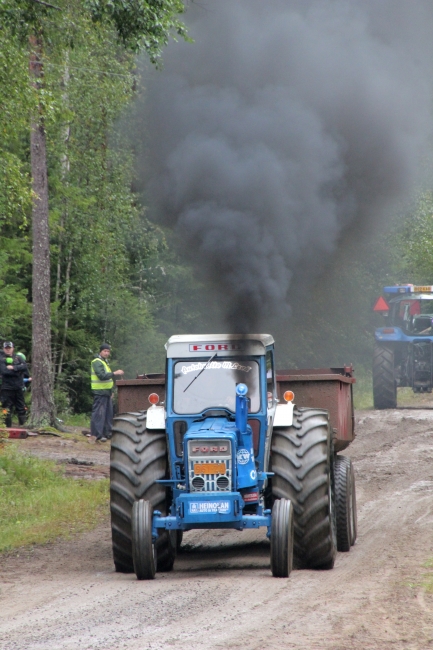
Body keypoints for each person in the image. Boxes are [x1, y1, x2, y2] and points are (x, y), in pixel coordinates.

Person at [90, 344, 124, 442]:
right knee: (99, 414)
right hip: (100, 392)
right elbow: (102, 376)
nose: (107, 353)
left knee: (108, 414)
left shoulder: (104, 362)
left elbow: (108, 380)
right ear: (100, 351)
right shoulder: (97, 362)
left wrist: (111, 391)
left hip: (107, 392)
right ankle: (97, 435)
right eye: (105, 351)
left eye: (108, 351)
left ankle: (107, 433)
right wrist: (115, 373)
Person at [0, 342, 28, 427]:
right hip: (7, 388)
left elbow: (25, 367)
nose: (8, 349)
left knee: (21, 407)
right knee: (6, 408)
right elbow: (4, 371)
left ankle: (23, 425)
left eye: (9, 348)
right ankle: (7, 428)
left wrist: (14, 368)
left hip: (18, 387)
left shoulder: (18, 358)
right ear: (4, 348)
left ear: (13, 348)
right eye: (6, 348)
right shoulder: (1, 359)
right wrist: (17, 371)